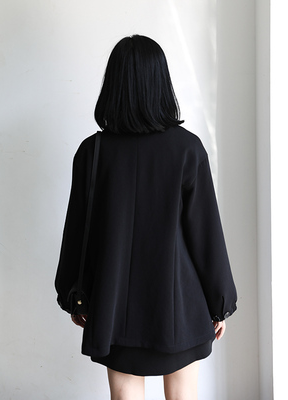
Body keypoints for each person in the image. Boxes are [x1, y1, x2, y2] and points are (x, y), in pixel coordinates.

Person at [55, 34, 237, 400]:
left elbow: (77, 232)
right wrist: (220, 303)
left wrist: (71, 293)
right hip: (180, 306)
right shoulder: (187, 149)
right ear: (161, 83)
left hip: (114, 304)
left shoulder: (93, 152)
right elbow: (206, 235)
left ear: (114, 85)